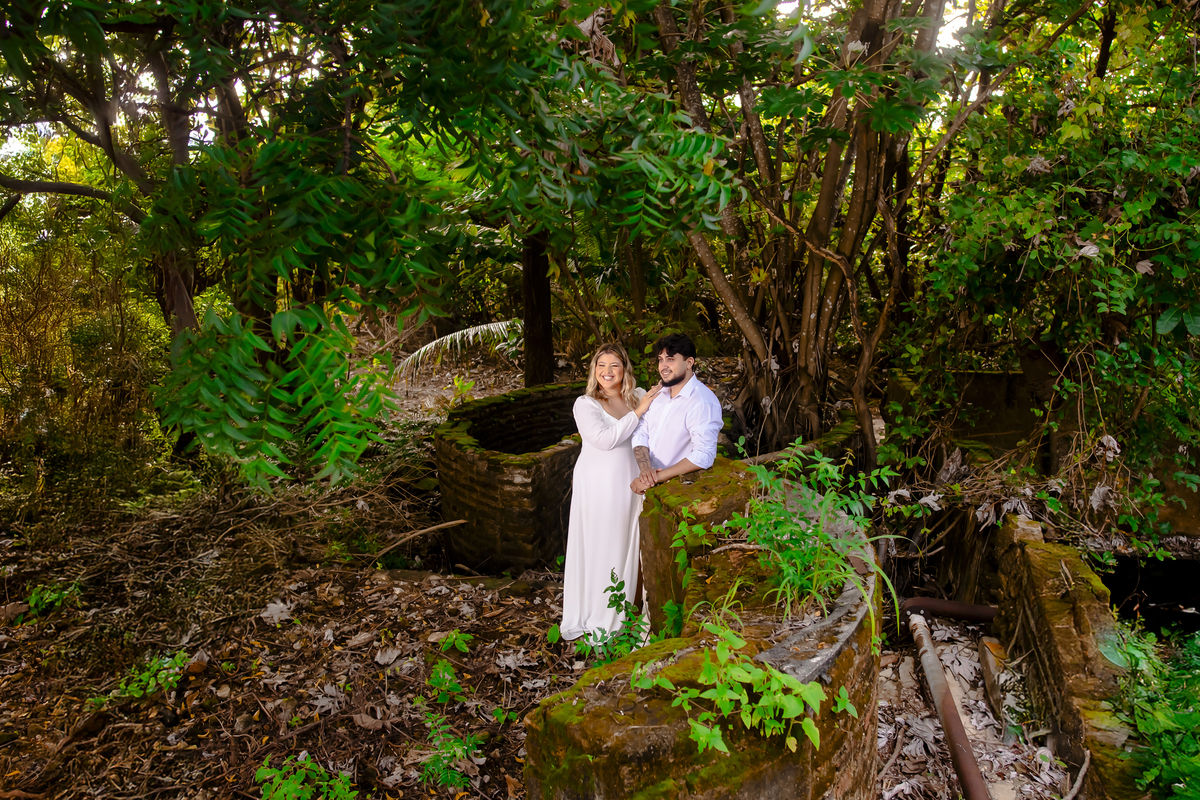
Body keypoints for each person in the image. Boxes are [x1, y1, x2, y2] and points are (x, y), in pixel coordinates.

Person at [560, 343, 661, 641]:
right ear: (594, 370)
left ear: (624, 369)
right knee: (603, 543)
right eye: (601, 365)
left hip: (631, 482)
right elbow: (604, 440)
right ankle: (601, 611)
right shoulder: (586, 404)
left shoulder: (637, 396)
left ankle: (626, 606)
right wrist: (639, 412)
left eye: (614, 365)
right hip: (599, 485)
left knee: (628, 542)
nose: (607, 371)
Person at [630, 333, 723, 494]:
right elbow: (641, 431)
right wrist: (646, 470)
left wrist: (656, 478)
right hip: (644, 484)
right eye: (661, 359)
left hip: (676, 491)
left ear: (689, 363)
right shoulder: (658, 394)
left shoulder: (702, 402)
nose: (663, 366)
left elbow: (704, 455)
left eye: (670, 359)